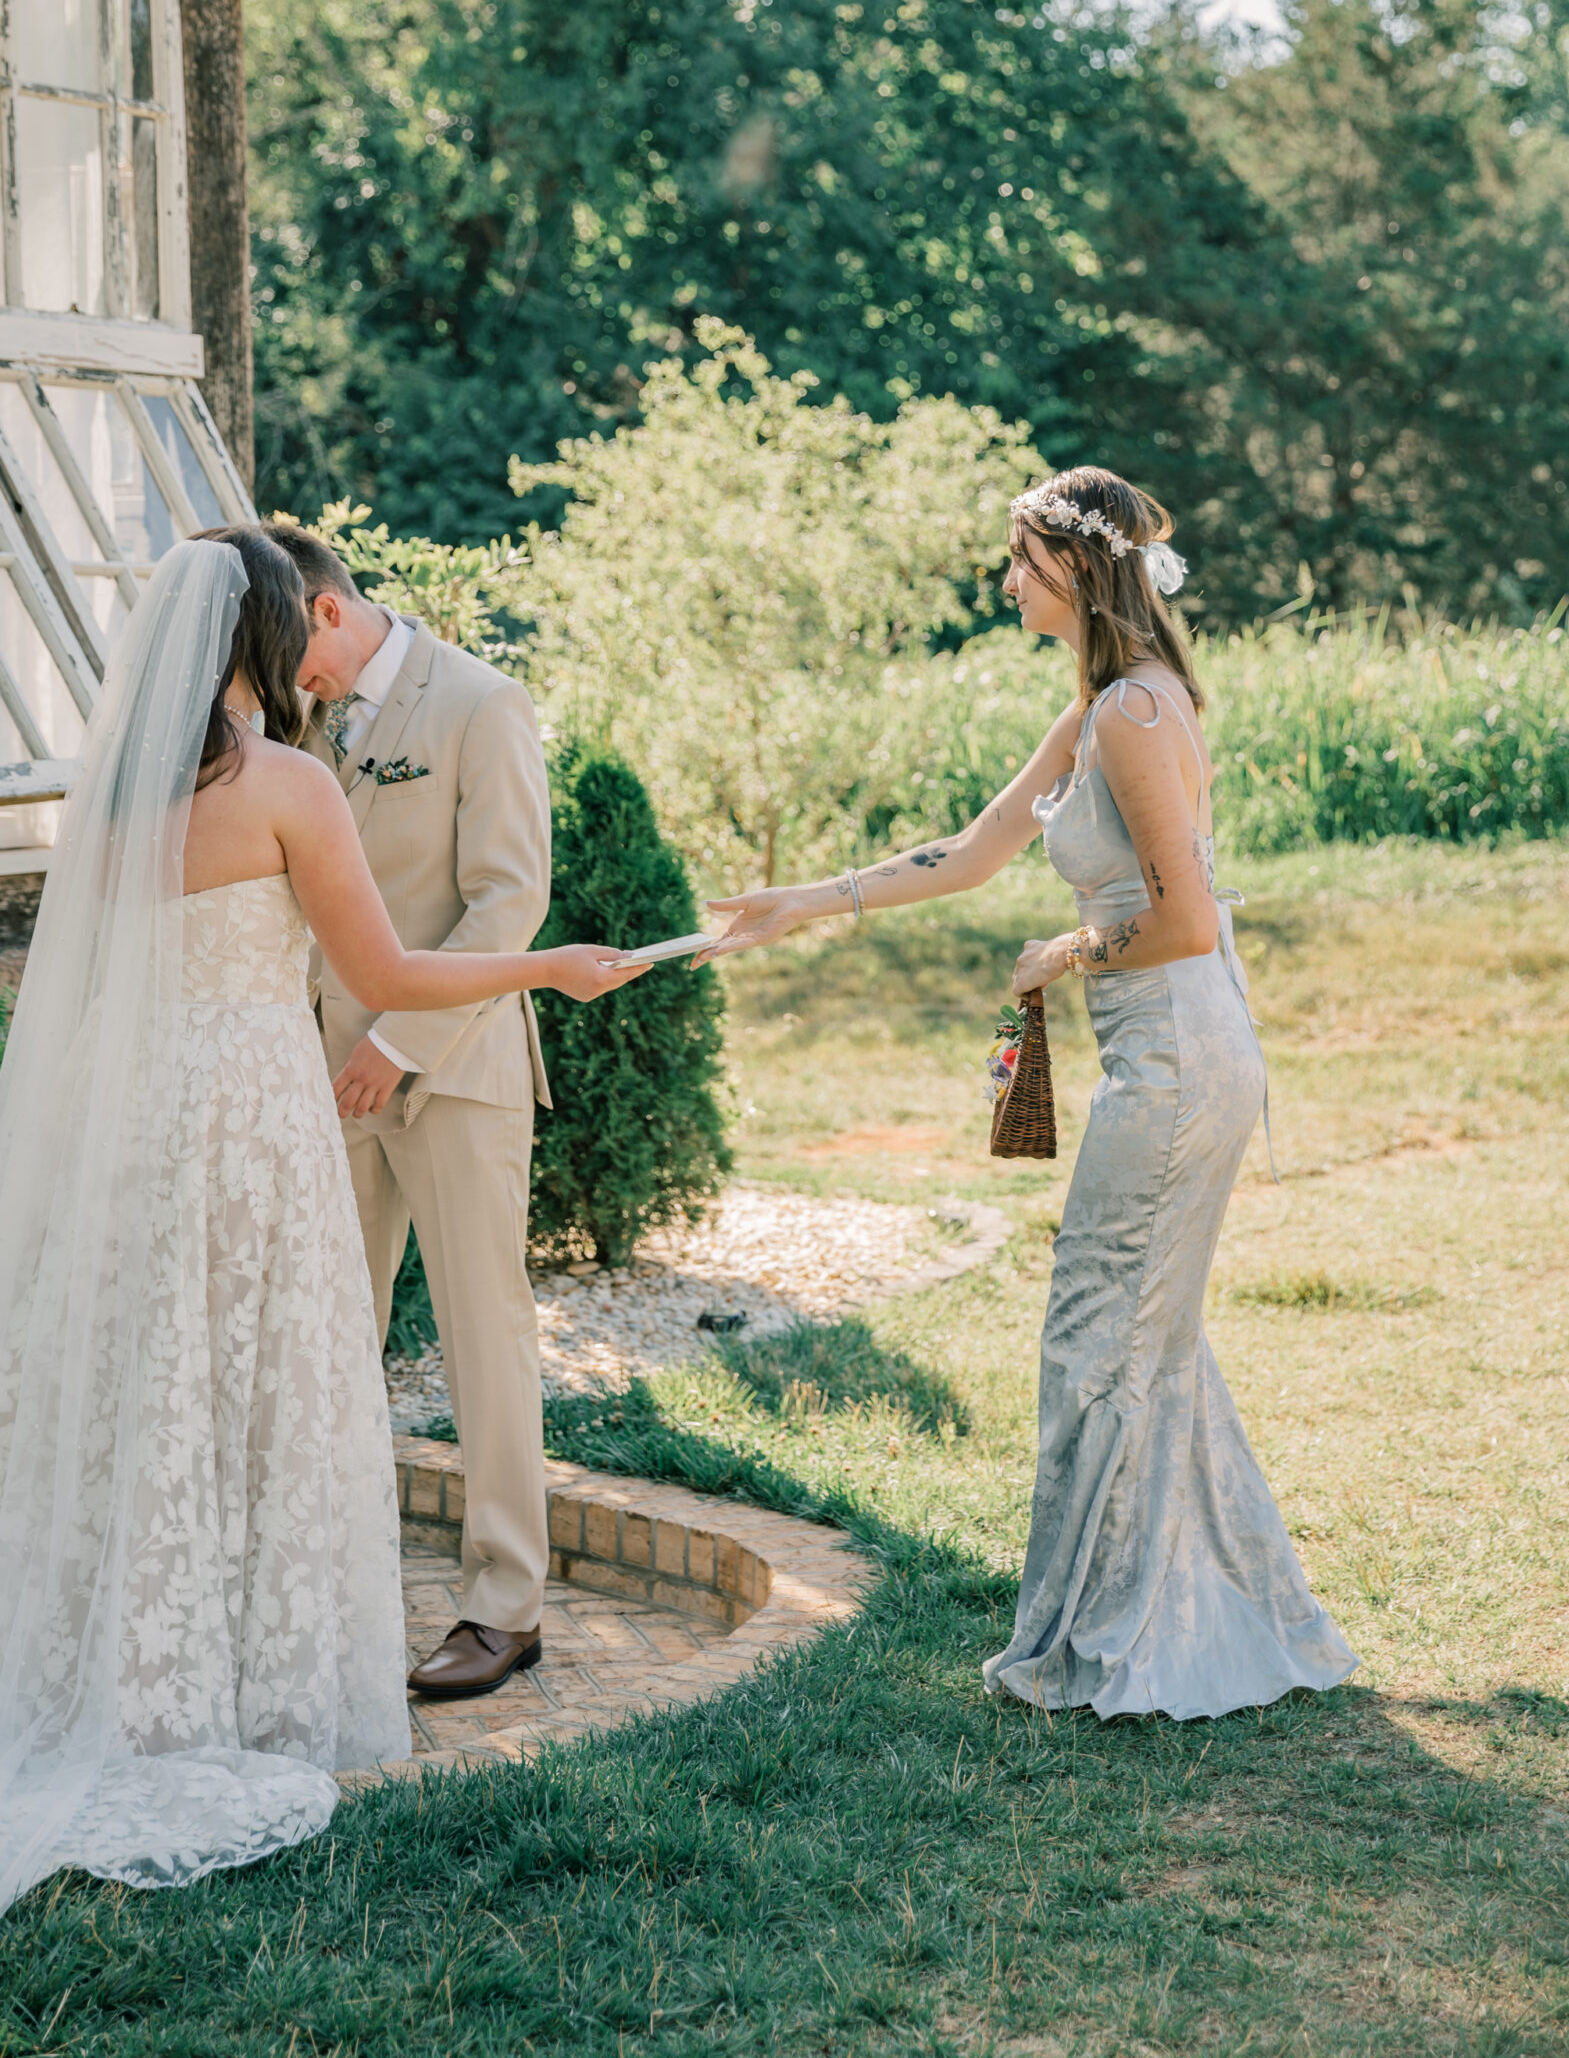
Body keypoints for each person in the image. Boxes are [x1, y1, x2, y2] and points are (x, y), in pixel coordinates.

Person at [0, 531, 648, 1915]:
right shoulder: (288, 782)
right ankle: (246, 1677)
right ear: (262, 636)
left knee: (157, 1373)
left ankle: (133, 1666)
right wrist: (554, 966)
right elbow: (385, 965)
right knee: (275, 1376)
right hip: (258, 1105)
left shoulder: (109, 801)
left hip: (145, 1115)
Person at [704, 468, 1356, 1720]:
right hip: (1161, 1057)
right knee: (1138, 1334)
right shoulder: (1102, 708)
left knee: (1097, 1330)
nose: (1005, 582)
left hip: (1174, 1060)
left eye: (1020, 559)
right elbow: (973, 846)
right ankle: (1177, 1604)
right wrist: (806, 903)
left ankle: (1115, 1632)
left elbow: (1182, 919)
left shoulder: (1135, 716)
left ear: (1077, 567)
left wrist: (1065, 954)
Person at [263, 523, 560, 1702]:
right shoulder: (306, 720)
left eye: (292, 651)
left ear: (325, 614)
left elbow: (508, 901)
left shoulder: (483, 704)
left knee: (486, 1334)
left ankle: (507, 1603)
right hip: (321, 1074)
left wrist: (396, 1040)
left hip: (455, 1068)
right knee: (334, 1328)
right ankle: (331, 1577)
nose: (288, 681)